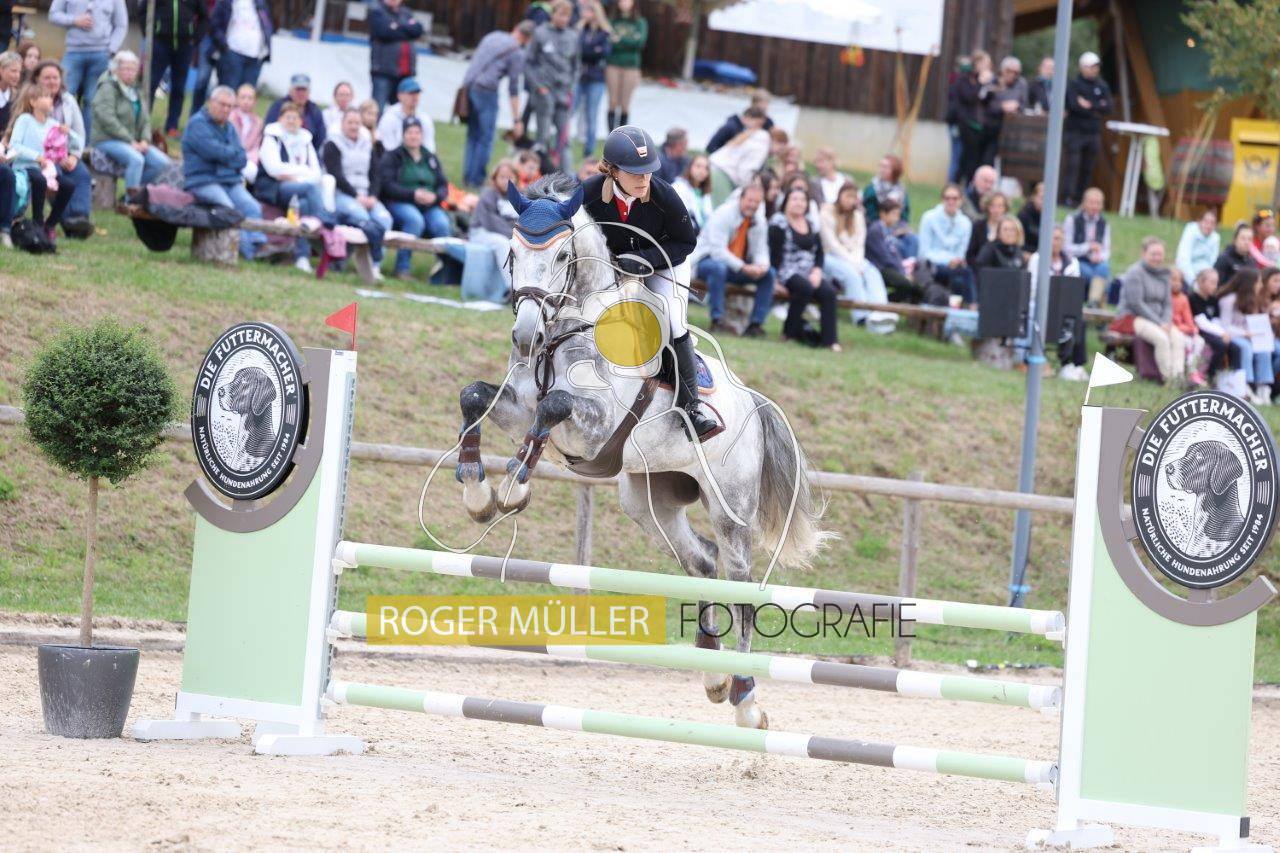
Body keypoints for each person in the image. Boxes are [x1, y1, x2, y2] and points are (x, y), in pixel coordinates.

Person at [581, 125, 714, 433]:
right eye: (635, 173)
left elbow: (686, 243)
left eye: (648, 172)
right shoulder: (588, 193)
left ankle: (691, 409)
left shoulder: (664, 196)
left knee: (672, 317)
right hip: (610, 264)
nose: (644, 180)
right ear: (613, 171)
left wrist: (645, 259)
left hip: (665, 263)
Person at [181, 84, 266, 259]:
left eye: (230, 106)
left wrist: (226, 155)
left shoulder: (229, 127)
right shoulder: (197, 124)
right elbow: (213, 152)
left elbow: (242, 158)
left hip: (229, 181)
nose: (226, 109)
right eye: (222, 104)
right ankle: (250, 253)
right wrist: (229, 155)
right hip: (203, 181)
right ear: (211, 102)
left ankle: (259, 246)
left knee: (253, 207)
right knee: (229, 210)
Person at [254, 101, 332, 272]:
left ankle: (302, 257)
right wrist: (301, 173)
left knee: (303, 206)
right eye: (287, 117)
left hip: (297, 188)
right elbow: (274, 169)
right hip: (274, 189)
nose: (291, 121)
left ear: (301, 121)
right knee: (311, 188)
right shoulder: (272, 137)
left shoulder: (305, 140)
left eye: (295, 118)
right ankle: (324, 226)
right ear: (280, 119)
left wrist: (295, 176)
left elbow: (316, 173)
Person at [690, 182, 775, 337]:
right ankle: (717, 320)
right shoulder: (723, 214)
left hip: (737, 266)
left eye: (757, 202)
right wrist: (744, 267)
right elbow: (717, 252)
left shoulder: (759, 220)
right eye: (750, 200)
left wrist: (762, 266)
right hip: (706, 261)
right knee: (718, 268)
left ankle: (755, 325)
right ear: (741, 199)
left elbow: (761, 250)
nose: (753, 205)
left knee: (769, 274)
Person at [460, 20, 532, 188]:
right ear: (528, 39)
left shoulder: (492, 36)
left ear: (515, 28)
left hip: (470, 87)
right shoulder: (516, 51)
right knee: (485, 138)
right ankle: (476, 180)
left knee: (473, 135)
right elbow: (513, 88)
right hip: (487, 91)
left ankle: (467, 177)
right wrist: (517, 119)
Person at [377, 117, 450, 280]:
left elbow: (443, 185)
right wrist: (413, 194)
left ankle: (445, 271)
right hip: (401, 202)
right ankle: (402, 268)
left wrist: (435, 196)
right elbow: (387, 185)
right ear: (403, 135)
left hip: (429, 205)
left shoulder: (430, 158)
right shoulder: (393, 156)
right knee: (414, 220)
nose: (414, 136)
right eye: (410, 132)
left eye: (417, 132)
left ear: (422, 135)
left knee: (442, 224)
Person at [323, 107, 392, 279]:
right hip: (342, 194)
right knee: (362, 217)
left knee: (384, 219)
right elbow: (336, 175)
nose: (354, 126)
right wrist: (356, 196)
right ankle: (348, 260)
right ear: (342, 124)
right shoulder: (332, 144)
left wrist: (373, 196)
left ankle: (375, 266)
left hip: (366, 195)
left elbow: (375, 174)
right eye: (350, 122)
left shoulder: (367, 144)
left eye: (357, 123)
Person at [90, 50, 171, 194]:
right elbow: (107, 118)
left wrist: (145, 140)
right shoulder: (107, 87)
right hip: (107, 139)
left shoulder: (135, 90)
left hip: (133, 142)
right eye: (125, 69)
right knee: (136, 159)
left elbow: (145, 120)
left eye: (133, 69)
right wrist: (130, 140)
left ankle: (135, 194)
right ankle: (130, 201)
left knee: (163, 163)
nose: (130, 73)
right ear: (116, 70)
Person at [770, 185, 840, 351]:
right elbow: (773, 255)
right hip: (787, 271)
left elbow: (820, 253)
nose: (799, 203)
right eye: (794, 199)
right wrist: (774, 281)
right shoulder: (778, 223)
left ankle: (830, 341)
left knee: (829, 292)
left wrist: (817, 271)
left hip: (810, 271)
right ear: (786, 202)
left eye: (802, 200)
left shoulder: (812, 224)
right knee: (805, 288)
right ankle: (788, 333)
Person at [48, 0, 127, 142]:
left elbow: (121, 25)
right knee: (62, 96)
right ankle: (55, 141)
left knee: (92, 102)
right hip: (73, 52)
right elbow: (53, 15)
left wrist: (111, 49)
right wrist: (74, 20)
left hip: (101, 55)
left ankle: (85, 144)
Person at [3, 84, 74, 240]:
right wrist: (37, 157)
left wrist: (67, 136)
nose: (50, 99)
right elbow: (15, 145)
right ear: (33, 102)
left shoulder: (53, 124)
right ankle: (38, 223)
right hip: (25, 166)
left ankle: (50, 224)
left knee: (68, 185)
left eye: (50, 97)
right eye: (46, 96)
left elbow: (63, 147)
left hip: (47, 169)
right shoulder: (24, 120)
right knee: (38, 179)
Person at [821, 181, 895, 331]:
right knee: (851, 275)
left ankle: (880, 312)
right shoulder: (827, 213)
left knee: (873, 273)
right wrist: (853, 264)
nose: (850, 201)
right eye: (847, 196)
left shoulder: (857, 216)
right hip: (830, 257)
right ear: (840, 195)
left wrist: (857, 262)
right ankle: (861, 317)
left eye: (853, 197)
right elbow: (832, 244)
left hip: (855, 258)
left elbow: (859, 243)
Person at [33, 61, 93, 228]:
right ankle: (67, 220)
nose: (52, 81)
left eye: (55, 77)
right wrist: (54, 157)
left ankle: (80, 218)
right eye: (47, 78)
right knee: (56, 177)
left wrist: (74, 156)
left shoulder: (68, 100)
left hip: (66, 155)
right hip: (42, 157)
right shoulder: (31, 100)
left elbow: (79, 133)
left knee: (82, 174)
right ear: (37, 79)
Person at [1119, 237, 1184, 385]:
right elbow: (1136, 304)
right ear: (1144, 253)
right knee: (1161, 338)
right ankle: (1168, 379)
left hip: (1159, 320)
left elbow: (1167, 304)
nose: (1157, 258)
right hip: (1133, 317)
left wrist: (1165, 321)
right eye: (1153, 254)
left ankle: (1179, 378)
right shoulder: (1135, 273)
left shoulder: (1164, 274)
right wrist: (1159, 323)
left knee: (1178, 338)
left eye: (1160, 254)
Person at [525, 0, 580, 170]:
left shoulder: (573, 37)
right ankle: (540, 175)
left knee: (564, 139)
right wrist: (538, 86)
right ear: (552, 14)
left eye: (567, 16)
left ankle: (567, 178)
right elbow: (528, 63)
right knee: (543, 138)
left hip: (564, 94)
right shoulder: (540, 33)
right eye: (561, 14)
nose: (564, 19)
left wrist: (571, 87)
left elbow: (576, 67)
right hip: (544, 92)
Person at [1027, 225, 1086, 379]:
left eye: (1058, 238)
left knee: (1078, 319)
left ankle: (1074, 364)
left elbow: (1074, 287)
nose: (1055, 242)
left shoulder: (1072, 262)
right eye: (1052, 238)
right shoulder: (1037, 259)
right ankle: (1062, 363)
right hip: (1042, 305)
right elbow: (1032, 287)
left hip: (1065, 305)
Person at [146, 0, 206, 136]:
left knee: (179, 87)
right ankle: (143, 122)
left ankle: (172, 126)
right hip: (160, 44)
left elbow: (205, 17)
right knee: (152, 83)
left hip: (184, 46)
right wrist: (149, 34)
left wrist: (195, 38)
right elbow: (144, 10)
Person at [1062, 51, 1111, 207]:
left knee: (1087, 168)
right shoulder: (1074, 84)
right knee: (1073, 166)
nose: (1094, 70)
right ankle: (1068, 198)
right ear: (1082, 67)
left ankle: (1080, 199)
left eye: (1096, 67)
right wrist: (1096, 107)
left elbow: (1108, 107)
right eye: (1091, 67)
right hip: (1075, 131)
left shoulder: (1101, 85)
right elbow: (1074, 106)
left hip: (1093, 132)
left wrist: (1089, 105)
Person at [466, 159, 519, 302]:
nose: (506, 181)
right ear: (495, 179)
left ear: (516, 178)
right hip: (481, 231)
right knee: (502, 243)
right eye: (502, 177)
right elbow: (490, 222)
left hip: (508, 234)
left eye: (510, 177)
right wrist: (513, 234)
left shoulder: (518, 197)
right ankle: (512, 288)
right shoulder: (488, 194)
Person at [1219, 268, 1273, 404]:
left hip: (1246, 335)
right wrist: (1245, 333)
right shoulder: (1229, 300)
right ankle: (1246, 384)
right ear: (1249, 284)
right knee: (1246, 348)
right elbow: (1225, 325)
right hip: (1233, 336)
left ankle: (1263, 386)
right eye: (1258, 282)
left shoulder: (1250, 300)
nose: (1260, 285)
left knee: (1264, 349)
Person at [918, 184, 975, 306]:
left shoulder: (965, 223)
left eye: (955, 198)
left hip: (953, 265)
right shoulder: (929, 218)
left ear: (961, 200)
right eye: (947, 198)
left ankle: (968, 307)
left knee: (964, 273)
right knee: (965, 274)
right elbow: (924, 251)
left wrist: (956, 261)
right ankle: (972, 306)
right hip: (931, 265)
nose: (951, 202)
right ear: (942, 199)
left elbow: (961, 251)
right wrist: (948, 260)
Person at [209, 0, 273, 93]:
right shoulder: (226, 2)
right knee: (229, 93)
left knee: (247, 95)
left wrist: (264, 49)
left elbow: (267, 24)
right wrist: (224, 45)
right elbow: (215, 25)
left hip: (255, 56)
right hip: (232, 53)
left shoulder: (260, 3)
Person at [706, 106, 768, 202]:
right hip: (723, 172)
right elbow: (711, 146)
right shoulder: (732, 127)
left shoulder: (747, 132)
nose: (759, 126)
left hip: (715, 167)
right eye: (759, 123)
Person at [367, 0, 423, 107]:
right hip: (383, 72)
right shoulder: (377, 12)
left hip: (405, 74)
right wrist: (407, 31)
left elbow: (418, 30)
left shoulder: (407, 13)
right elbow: (383, 32)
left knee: (403, 110)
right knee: (377, 108)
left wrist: (396, 27)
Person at [865, 199, 921, 303]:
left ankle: (890, 304)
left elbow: (895, 254)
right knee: (906, 285)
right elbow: (885, 257)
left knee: (917, 286)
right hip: (879, 268)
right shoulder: (876, 230)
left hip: (891, 268)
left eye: (898, 215)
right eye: (894, 214)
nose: (897, 218)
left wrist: (903, 271)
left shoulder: (888, 230)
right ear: (883, 214)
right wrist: (902, 274)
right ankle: (883, 304)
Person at [954, 50, 997, 186]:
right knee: (967, 158)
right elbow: (969, 97)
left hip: (981, 125)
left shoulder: (985, 81)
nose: (987, 67)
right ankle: (959, 184)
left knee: (976, 158)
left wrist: (989, 88)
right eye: (985, 64)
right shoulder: (964, 79)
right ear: (977, 64)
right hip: (967, 123)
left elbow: (986, 101)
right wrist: (980, 83)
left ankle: (970, 185)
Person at [575, 1, 611, 158]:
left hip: (596, 79)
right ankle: (562, 143)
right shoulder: (580, 29)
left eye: (588, 11)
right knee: (571, 109)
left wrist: (589, 51)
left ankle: (589, 150)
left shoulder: (604, 33)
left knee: (592, 114)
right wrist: (592, 50)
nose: (584, 13)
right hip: (580, 77)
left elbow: (604, 53)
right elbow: (578, 50)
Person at [1063, 187, 1111, 304]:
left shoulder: (1104, 223)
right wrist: (1087, 247)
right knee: (1092, 275)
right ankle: (1095, 303)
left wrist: (1100, 257)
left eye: (1098, 203)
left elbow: (1106, 249)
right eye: (1091, 202)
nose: (1094, 206)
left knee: (1104, 268)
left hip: (1097, 262)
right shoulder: (1072, 220)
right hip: (1077, 260)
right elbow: (1066, 247)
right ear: (1084, 203)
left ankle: (1093, 302)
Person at [605, 0, 646, 130]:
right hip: (613, 65)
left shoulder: (640, 22)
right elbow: (610, 41)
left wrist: (620, 40)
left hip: (631, 67)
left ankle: (622, 135)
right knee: (612, 102)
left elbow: (639, 43)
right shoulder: (613, 21)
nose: (624, 3)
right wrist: (628, 42)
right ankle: (611, 135)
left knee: (625, 104)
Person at [265, 73, 326, 152]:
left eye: (304, 90)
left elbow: (321, 137)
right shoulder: (278, 106)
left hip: (308, 150)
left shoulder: (315, 110)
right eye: (298, 89)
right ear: (290, 90)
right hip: (280, 149)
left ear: (309, 92)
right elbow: (269, 129)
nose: (301, 93)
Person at [705, 91, 774, 154]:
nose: (765, 107)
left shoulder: (768, 122)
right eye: (763, 104)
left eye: (767, 104)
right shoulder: (731, 126)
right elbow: (711, 146)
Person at [1169, 269, 1206, 386]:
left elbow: (1189, 321)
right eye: (1173, 280)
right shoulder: (1165, 298)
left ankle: (1192, 371)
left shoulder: (1183, 298)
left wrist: (1191, 328)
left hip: (1182, 330)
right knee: (1184, 341)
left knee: (1199, 341)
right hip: (1172, 331)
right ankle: (1179, 374)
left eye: (1179, 281)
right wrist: (1184, 328)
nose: (1176, 283)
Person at [377, 77, 433, 153]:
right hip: (392, 157)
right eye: (411, 93)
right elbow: (388, 148)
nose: (415, 96)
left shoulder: (424, 118)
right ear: (400, 96)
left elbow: (429, 147)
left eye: (417, 93)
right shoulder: (389, 118)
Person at [1174, 209, 1220, 284]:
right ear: (1199, 222)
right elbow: (1183, 259)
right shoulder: (1190, 231)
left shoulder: (1215, 238)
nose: (1208, 226)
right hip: (1187, 274)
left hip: (1205, 277)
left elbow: (1213, 261)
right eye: (1206, 222)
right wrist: (1193, 281)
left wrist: (1208, 279)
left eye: (1212, 223)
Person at [966, 190, 1009, 267]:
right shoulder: (978, 226)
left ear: (1005, 208)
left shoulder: (1010, 226)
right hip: (981, 268)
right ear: (987, 207)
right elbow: (970, 254)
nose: (996, 210)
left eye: (1000, 206)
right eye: (993, 206)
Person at [229, 82, 262, 181]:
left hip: (249, 158)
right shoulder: (230, 117)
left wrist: (249, 157)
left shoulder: (258, 122)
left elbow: (256, 146)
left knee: (252, 171)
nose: (246, 101)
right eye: (243, 97)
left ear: (255, 101)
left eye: (250, 98)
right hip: (232, 155)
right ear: (236, 99)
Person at [672, 152, 712, 230]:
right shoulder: (679, 187)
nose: (702, 171)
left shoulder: (705, 192)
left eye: (706, 168)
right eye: (698, 166)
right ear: (690, 167)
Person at [1018, 181, 1044, 252]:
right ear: (1034, 197)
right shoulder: (1024, 215)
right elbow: (1018, 241)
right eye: (1042, 197)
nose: (1044, 201)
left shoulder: (1048, 218)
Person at [0, 50, 19, 129]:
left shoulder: (16, 96)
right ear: (1, 70)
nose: (17, 75)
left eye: (19, 72)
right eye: (14, 71)